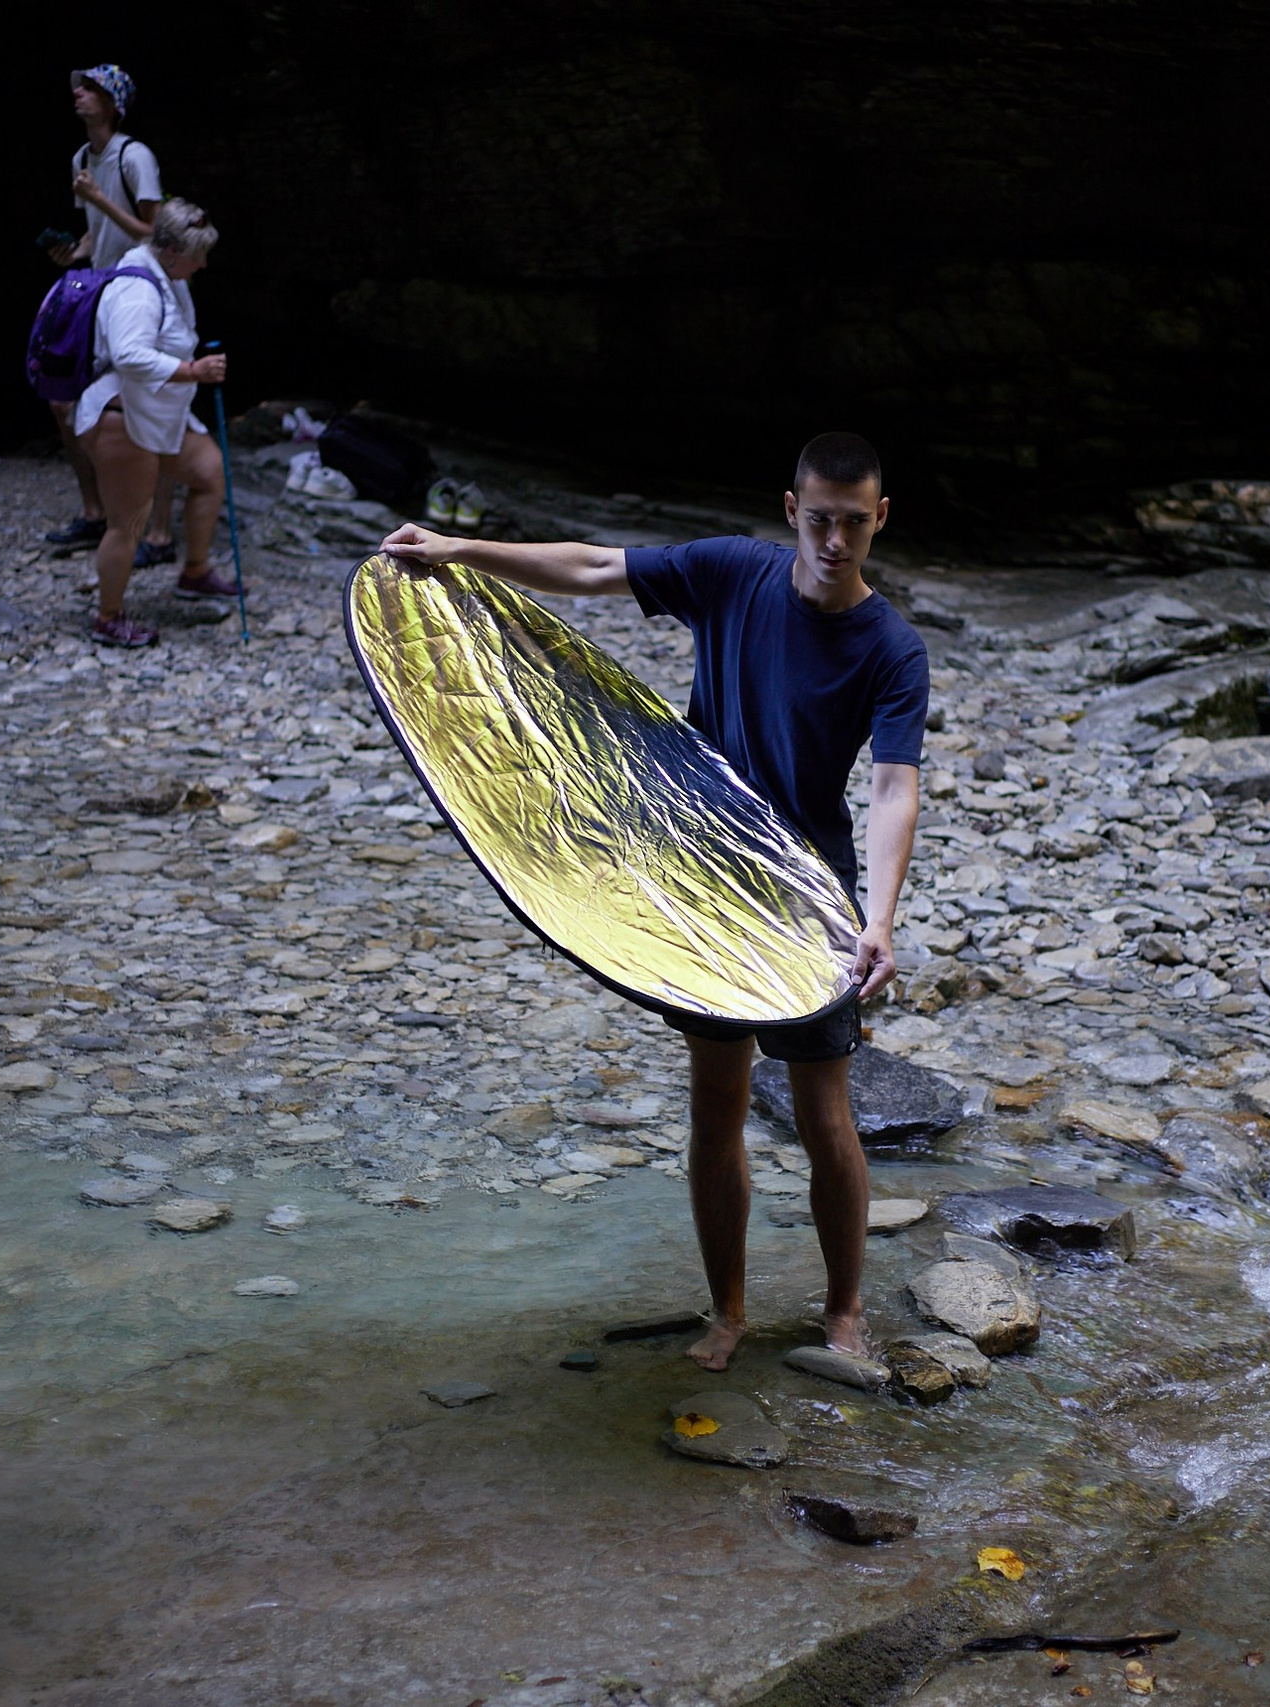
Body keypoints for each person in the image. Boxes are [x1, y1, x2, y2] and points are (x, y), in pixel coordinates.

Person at [379, 432, 928, 1369]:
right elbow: (594, 566)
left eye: (855, 522)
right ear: (793, 511)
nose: (836, 540)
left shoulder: (891, 648)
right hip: (701, 883)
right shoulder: (728, 575)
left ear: (881, 519)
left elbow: (890, 789)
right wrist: (459, 550)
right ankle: (729, 1311)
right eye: (821, 519)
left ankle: (843, 1314)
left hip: (809, 894)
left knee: (823, 1113)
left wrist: (877, 918)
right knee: (714, 1103)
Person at [72, 199, 241, 647]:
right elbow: (128, 354)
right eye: (198, 255)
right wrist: (193, 372)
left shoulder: (169, 276)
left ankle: (195, 572)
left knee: (208, 471)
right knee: (128, 522)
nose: (203, 264)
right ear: (168, 250)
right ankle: (109, 617)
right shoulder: (136, 288)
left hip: (157, 415)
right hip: (119, 418)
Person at [40, 63, 179, 565]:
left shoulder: (134, 156)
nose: (78, 94)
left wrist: (97, 197)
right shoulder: (81, 156)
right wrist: (74, 251)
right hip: (99, 291)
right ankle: (94, 511)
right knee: (66, 405)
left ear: (113, 102)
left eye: (91, 89)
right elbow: (98, 233)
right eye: (78, 87)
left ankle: (158, 533)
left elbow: (155, 232)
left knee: (147, 406)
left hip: (140, 293)